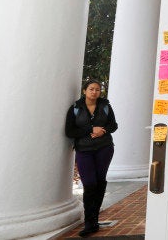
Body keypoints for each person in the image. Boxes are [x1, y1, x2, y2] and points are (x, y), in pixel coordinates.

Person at [65, 79, 118, 237]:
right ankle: (89, 222)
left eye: (97, 89)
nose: (94, 92)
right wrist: (90, 129)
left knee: (100, 182)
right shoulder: (75, 108)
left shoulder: (105, 106)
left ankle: (94, 221)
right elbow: (70, 131)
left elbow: (113, 125)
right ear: (84, 91)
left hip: (104, 148)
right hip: (84, 150)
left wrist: (102, 130)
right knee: (89, 184)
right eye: (91, 89)